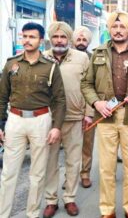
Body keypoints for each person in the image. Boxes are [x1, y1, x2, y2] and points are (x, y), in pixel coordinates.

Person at [81, 10, 128, 218]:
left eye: (122, 26)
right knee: (106, 168)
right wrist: (97, 103)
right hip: (106, 116)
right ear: (109, 29)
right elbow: (86, 84)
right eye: (114, 26)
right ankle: (107, 210)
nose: (117, 30)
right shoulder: (98, 53)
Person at [0, 22, 66, 218]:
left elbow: (60, 99)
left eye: (32, 37)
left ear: (40, 40)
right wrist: (0, 124)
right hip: (15, 120)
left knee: (37, 174)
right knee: (9, 172)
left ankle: (32, 214)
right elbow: (2, 96)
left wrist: (56, 127)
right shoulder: (11, 64)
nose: (27, 40)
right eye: (25, 36)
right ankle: (3, 213)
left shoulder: (51, 67)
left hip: (41, 120)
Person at [42, 21, 90, 217]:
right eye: (56, 36)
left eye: (63, 37)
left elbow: (89, 86)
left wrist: (89, 113)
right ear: (50, 38)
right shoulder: (42, 58)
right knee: (50, 161)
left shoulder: (81, 58)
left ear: (69, 39)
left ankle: (70, 198)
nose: (59, 40)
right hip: (49, 120)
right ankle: (51, 200)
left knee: (73, 160)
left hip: (74, 117)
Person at [72, 26, 96, 188]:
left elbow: (96, 85)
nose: (81, 42)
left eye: (84, 40)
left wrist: (91, 111)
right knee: (71, 146)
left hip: (88, 108)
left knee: (87, 144)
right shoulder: (65, 57)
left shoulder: (94, 58)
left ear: (88, 42)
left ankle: (85, 174)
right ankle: (70, 176)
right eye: (78, 39)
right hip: (69, 109)